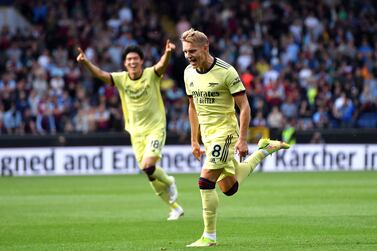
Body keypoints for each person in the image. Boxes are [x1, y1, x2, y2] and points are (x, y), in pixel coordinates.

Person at [181, 28, 290, 247]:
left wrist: (242, 139)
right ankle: (264, 150)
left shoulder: (226, 71)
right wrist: (194, 139)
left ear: (205, 47)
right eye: (185, 52)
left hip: (226, 133)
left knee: (205, 181)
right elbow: (192, 107)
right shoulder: (188, 73)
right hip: (209, 137)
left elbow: (244, 106)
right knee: (229, 188)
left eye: (192, 51)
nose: (188, 56)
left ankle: (209, 237)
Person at [76, 40, 184, 221]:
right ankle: (175, 208)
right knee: (148, 173)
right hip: (135, 132)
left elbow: (161, 64)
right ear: (125, 63)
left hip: (155, 128)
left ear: (141, 61)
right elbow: (101, 74)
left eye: (135, 58)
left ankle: (170, 181)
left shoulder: (151, 74)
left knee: (149, 166)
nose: (132, 62)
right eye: (129, 59)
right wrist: (86, 62)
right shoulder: (121, 79)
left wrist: (168, 53)